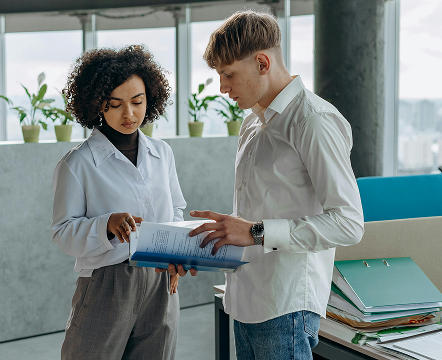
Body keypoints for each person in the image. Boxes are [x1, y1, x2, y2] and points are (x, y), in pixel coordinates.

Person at [186, 10, 365, 360]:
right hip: (245, 298)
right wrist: (211, 243)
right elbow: (253, 220)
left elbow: (349, 223)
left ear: (263, 62)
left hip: (286, 307)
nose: (222, 88)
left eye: (229, 75)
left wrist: (254, 231)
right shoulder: (252, 123)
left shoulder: (313, 121)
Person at [51, 45, 186, 360]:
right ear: (97, 105)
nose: (129, 114)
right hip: (107, 284)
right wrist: (106, 225)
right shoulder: (78, 163)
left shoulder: (162, 153)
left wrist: (176, 252)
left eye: (137, 102)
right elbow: (61, 231)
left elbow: (176, 210)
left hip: (161, 281)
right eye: (116, 104)